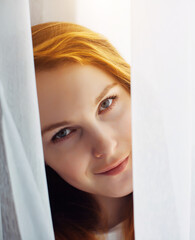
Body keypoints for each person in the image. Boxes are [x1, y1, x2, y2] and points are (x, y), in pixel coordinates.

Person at [32, 22, 134, 240]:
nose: (106, 146)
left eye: (106, 104)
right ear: (37, 155)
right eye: (63, 133)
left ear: (130, 89)